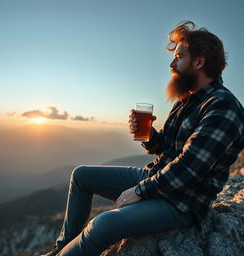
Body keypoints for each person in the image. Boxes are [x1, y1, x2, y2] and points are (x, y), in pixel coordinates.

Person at [40, 21, 244, 256]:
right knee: (81, 175)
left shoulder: (223, 107)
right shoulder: (188, 100)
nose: (172, 63)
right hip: (157, 178)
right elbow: (168, 148)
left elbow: (189, 169)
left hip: (181, 202)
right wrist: (149, 135)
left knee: (102, 225)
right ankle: (60, 249)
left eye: (179, 56)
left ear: (199, 62)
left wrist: (140, 191)